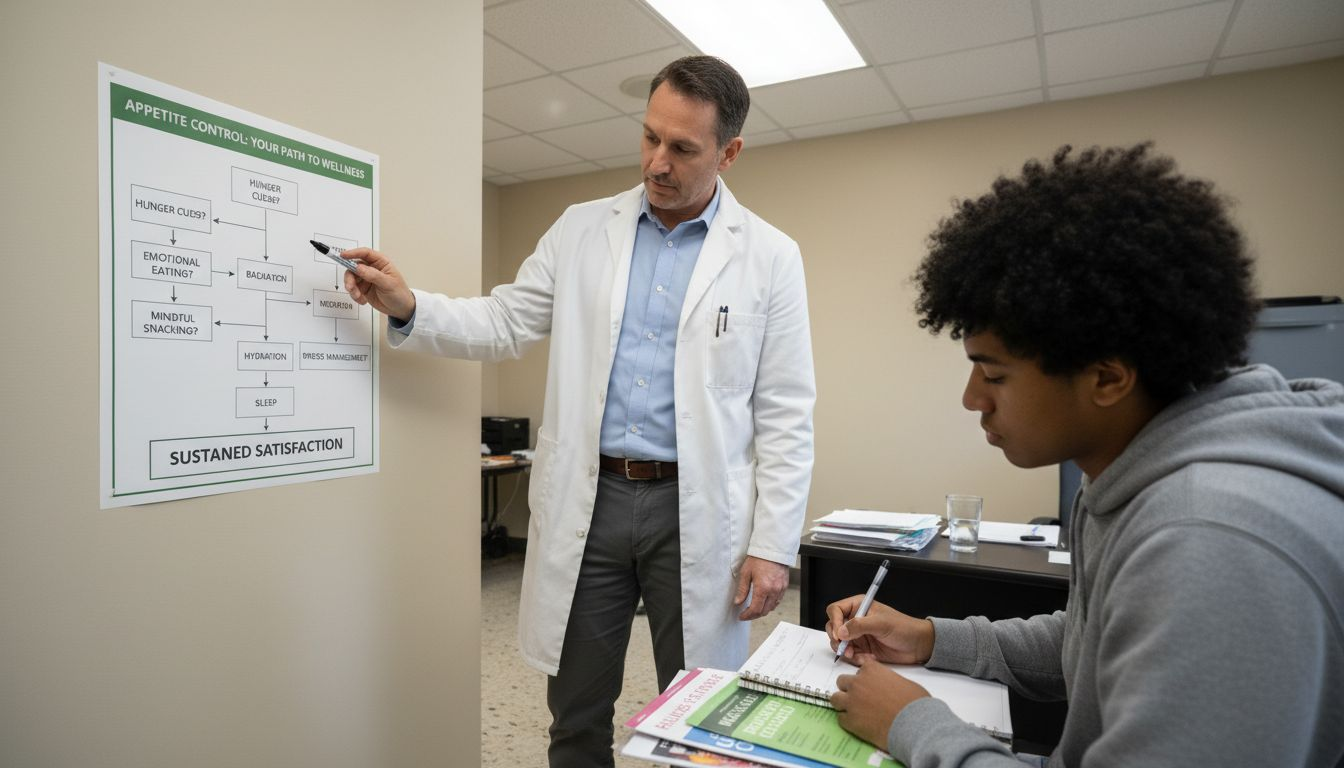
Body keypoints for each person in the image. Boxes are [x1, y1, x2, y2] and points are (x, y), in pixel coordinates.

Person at [340, 56, 815, 766]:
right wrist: (409, 306)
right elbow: (504, 321)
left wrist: (773, 545)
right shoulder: (581, 229)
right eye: (650, 137)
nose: (657, 161)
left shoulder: (772, 257)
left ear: (729, 152)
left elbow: (785, 410)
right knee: (576, 708)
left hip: (697, 507)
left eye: (682, 148)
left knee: (702, 716)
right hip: (592, 501)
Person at [825, 144, 1344, 767]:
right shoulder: (1135, 473)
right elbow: (1095, 641)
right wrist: (932, 639)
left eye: (993, 374)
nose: (972, 400)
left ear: (1107, 378)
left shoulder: (1211, 542)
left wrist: (914, 724)